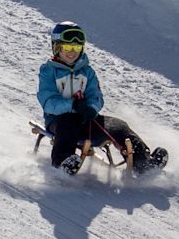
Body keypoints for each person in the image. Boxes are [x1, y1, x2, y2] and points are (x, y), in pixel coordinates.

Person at [37, 22, 167, 172]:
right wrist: (72, 105)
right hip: (58, 121)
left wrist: (92, 107)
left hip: (86, 120)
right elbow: (48, 101)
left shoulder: (87, 71)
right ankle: (63, 161)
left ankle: (143, 163)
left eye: (77, 47)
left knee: (118, 125)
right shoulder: (48, 71)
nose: (72, 52)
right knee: (69, 122)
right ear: (57, 47)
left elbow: (96, 95)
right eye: (67, 47)